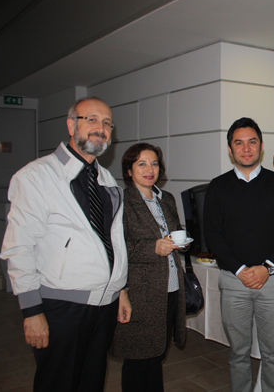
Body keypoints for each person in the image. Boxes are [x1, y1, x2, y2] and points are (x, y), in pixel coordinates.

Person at [1, 96, 131, 392]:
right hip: (61, 307)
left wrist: (120, 289)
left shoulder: (106, 179)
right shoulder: (36, 176)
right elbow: (19, 246)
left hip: (104, 304)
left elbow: (113, 241)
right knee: (58, 383)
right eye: (92, 119)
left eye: (107, 123)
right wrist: (31, 310)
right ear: (71, 125)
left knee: (91, 382)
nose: (101, 128)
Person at [203, 117, 274, 392]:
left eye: (252, 142)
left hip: (272, 281)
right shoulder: (218, 186)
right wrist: (240, 269)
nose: (246, 149)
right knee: (238, 354)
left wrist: (267, 267)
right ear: (230, 149)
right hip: (234, 281)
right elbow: (213, 234)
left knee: (272, 353)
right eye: (239, 143)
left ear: (261, 146)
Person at [111, 143, 186, 392]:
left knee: (156, 354)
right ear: (129, 170)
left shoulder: (167, 199)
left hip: (170, 288)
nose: (149, 169)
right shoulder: (122, 202)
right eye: (141, 164)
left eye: (154, 163)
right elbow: (116, 248)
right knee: (136, 358)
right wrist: (151, 247)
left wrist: (181, 242)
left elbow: (173, 233)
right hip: (140, 292)